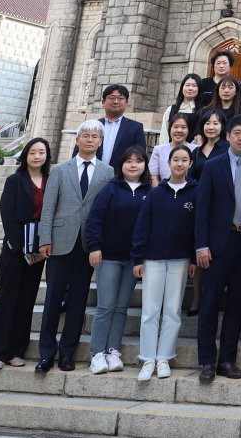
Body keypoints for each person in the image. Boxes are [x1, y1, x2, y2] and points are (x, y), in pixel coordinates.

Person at [35, 121, 113, 373]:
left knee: (78, 301)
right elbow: (48, 207)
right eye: (86, 136)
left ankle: (67, 353)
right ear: (77, 140)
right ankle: (46, 353)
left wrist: (99, 244)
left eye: (95, 137)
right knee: (53, 299)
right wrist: (44, 239)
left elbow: (106, 212)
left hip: (87, 245)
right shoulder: (60, 170)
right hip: (59, 242)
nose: (90, 140)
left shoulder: (107, 172)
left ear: (100, 142)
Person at [194, 115, 241, 384]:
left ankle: (227, 359)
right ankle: (208, 361)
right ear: (228, 136)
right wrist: (201, 244)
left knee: (236, 305)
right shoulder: (213, 166)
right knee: (210, 303)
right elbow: (202, 209)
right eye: (237, 133)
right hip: (217, 244)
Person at [132, 144, 197, 381]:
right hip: (153, 259)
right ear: (168, 163)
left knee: (172, 310)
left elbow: (196, 229)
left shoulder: (195, 192)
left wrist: (192, 257)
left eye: (184, 160)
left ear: (190, 163)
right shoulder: (156, 193)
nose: (179, 164)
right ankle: (148, 357)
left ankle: (164, 357)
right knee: (150, 310)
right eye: (175, 160)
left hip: (181, 260)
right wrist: (138, 257)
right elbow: (142, 226)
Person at [0, 138, 51, 371]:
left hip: (38, 250)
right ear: (25, 155)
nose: (37, 156)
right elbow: (7, 213)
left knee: (26, 300)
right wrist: (20, 244)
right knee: (7, 299)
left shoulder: (50, 181)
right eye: (33, 152)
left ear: (47, 156)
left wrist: (42, 244)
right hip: (16, 249)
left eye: (41, 152)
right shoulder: (15, 180)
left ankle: (16, 351)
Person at [84, 145, 151, 374]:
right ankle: (97, 353)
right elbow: (95, 219)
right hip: (109, 257)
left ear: (145, 165)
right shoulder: (111, 189)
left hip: (133, 259)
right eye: (129, 161)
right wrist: (94, 247)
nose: (133, 165)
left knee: (121, 307)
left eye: (139, 160)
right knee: (105, 306)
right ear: (121, 165)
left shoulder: (149, 192)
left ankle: (113, 350)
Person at [82, 85, 147, 171]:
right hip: (90, 175)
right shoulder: (92, 126)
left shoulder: (135, 127)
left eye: (120, 98)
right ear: (103, 102)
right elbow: (79, 151)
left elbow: (140, 155)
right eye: (111, 98)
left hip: (120, 178)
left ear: (127, 103)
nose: (116, 101)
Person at [149, 113, 198, 186]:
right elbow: (154, 177)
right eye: (175, 127)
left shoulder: (196, 149)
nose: (179, 130)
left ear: (188, 130)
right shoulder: (159, 150)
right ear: (170, 129)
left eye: (183, 127)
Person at [159, 74, 201, 145]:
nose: (190, 88)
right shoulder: (171, 110)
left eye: (194, 85)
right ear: (182, 88)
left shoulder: (202, 111)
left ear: (199, 89)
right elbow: (164, 132)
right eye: (187, 85)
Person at [190, 109, 229, 181]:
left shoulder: (228, 149)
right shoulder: (196, 152)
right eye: (207, 123)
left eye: (215, 123)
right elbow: (190, 177)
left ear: (222, 126)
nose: (211, 127)